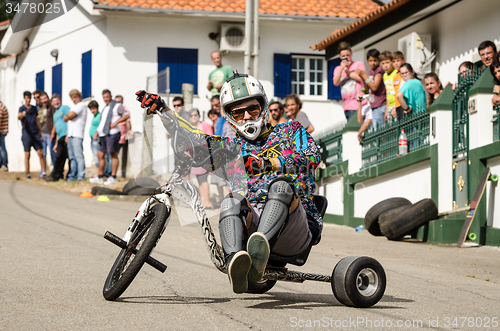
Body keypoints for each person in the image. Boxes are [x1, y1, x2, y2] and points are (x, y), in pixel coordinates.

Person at [136, 72, 322, 294]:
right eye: (238, 111)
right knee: (231, 201)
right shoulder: (229, 149)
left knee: (280, 186)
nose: (246, 116)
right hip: (252, 222)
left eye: (252, 109)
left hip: (295, 228)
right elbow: (193, 137)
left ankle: (259, 248)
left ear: (263, 107)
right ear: (229, 116)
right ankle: (237, 262)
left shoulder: (290, 131)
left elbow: (312, 156)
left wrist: (268, 163)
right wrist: (163, 110)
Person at [94, 89, 130, 185]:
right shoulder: (105, 107)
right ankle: (100, 176)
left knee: (113, 154)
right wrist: (97, 132)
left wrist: (115, 123)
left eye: (107, 97)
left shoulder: (117, 105)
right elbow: (102, 122)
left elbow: (126, 115)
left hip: (113, 133)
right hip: (103, 134)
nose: (105, 99)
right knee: (100, 155)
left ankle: (113, 176)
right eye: (104, 97)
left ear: (110, 96)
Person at [188, 108, 214, 209]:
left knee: (204, 179)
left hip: (204, 156)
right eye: (191, 115)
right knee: (199, 180)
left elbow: (211, 138)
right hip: (195, 157)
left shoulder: (204, 125)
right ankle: (203, 200)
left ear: (199, 116)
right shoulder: (191, 128)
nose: (193, 117)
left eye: (195, 115)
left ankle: (207, 201)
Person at [333, 41, 366, 120]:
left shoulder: (358, 64)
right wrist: (341, 69)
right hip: (346, 105)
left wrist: (347, 70)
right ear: (340, 57)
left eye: (347, 55)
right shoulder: (338, 69)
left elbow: (361, 78)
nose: (346, 57)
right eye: (343, 56)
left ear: (351, 54)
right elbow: (336, 83)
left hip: (358, 103)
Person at [18, 91, 46, 179]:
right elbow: (18, 117)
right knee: (27, 154)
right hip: (27, 133)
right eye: (26, 98)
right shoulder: (21, 108)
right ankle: (28, 173)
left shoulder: (34, 109)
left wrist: (41, 133)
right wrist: (23, 114)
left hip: (35, 133)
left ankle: (44, 172)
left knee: (40, 153)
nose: (28, 100)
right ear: (24, 98)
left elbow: (37, 120)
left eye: (29, 98)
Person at [356, 48, 386, 129]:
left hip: (380, 104)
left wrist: (364, 75)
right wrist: (362, 78)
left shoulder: (379, 70)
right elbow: (367, 90)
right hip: (374, 105)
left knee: (379, 130)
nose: (373, 63)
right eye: (370, 60)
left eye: (375, 60)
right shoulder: (371, 71)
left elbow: (374, 87)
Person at [46, 94, 70, 181]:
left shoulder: (65, 108)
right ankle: (57, 175)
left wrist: (68, 134)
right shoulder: (55, 114)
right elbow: (57, 127)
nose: (56, 102)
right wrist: (56, 143)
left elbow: (70, 120)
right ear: (52, 103)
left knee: (69, 156)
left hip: (67, 135)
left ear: (60, 100)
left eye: (57, 100)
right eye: (54, 101)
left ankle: (69, 175)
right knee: (59, 157)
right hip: (60, 138)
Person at [64, 89, 88, 181]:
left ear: (79, 96)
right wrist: (67, 135)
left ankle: (81, 175)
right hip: (70, 134)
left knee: (78, 156)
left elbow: (69, 116)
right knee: (72, 157)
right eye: (72, 98)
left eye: (75, 97)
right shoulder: (73, 107)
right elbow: (67, 119)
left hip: (78, 134)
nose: (73, 100)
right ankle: (72, 175)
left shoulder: (81, 105)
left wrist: (67, 116)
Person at [38, 92, 56, 176]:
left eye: (45, 98)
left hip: (50, 134)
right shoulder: (39, 108)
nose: (44, 100)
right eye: (42, 99)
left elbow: (55, 121)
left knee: (53, 153)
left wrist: (52, 133)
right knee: (43, 154)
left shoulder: (52, 107)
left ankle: (55, 171)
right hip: (43, 134)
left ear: (48, 98)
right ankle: (43, 172)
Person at [115, 95, 132, 177]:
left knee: (119, 156)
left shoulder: (125, 110)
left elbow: (128, 122)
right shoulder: (113, 109)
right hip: (113, 136)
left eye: (119, 102)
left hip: (121, 137)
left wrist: (129, 130)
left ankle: (120, 174)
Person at [379, 51, 398, 121]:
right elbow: (387, 92)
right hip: (390, 105)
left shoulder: (396, 73)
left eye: (387, 62)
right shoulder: (384, 76)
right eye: (383, 63)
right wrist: (386, 110)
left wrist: (397, 106)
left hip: (397, 104)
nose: (385, 65)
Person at [392, 51, 406, 120]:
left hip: (404, 103)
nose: (396, 63)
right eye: (394, 61)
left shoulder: (404, 73)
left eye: (398, 60)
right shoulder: (395, 76)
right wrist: (395, 106)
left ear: (403, 61)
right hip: (397, 104)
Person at [0, 100, 8, 171]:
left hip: (1, 131)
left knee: (2, 148)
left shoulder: (1, 107)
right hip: (3, 130)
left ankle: (4, 164)